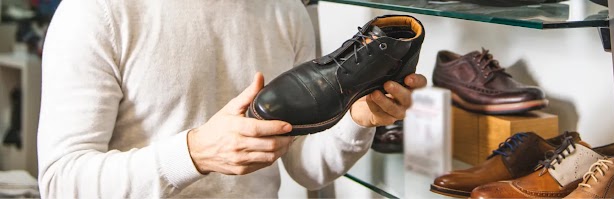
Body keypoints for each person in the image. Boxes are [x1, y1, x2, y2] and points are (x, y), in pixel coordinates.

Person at [36, 0, 426, 197]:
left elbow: (305, 168)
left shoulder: (285, 10)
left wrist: (356, 121)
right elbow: (60, 181)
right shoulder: (97, 11)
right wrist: (193, 154)